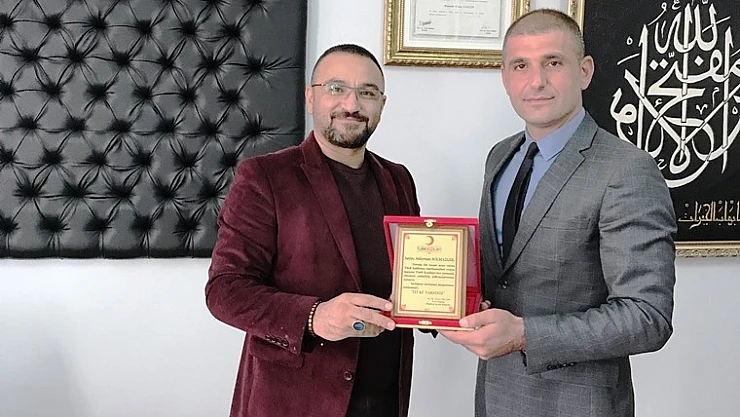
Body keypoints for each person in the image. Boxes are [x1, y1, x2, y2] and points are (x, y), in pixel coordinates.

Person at [440, 9, 676, 417]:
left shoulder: (627, 170)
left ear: (584, 71)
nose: (536, 81)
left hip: (577, 405)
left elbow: (647, 317)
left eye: (553, 63)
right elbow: (504, 278)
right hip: (495, 398)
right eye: (521, 65)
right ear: (505, 77)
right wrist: (430, 299)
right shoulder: (500, 156)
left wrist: (524, 334)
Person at [205, 44, 420, 417]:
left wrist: (454, 304)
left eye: (367, 92)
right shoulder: (264, 176)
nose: (352, 104)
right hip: (293, 403)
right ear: (310, 97)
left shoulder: (398, 179)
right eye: (337, 88)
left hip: (384, 399)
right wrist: (314, 316)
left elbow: (413, 276)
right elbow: (225, 289)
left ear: (382, 105)